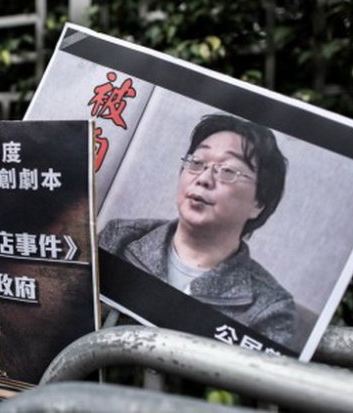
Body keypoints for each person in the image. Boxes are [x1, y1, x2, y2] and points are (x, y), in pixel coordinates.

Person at [99, 114, 296, 347]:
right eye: (197, 162)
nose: (203, 178)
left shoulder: (270, 307)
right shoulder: (120, 237)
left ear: (258, 204)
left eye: (228, 171)